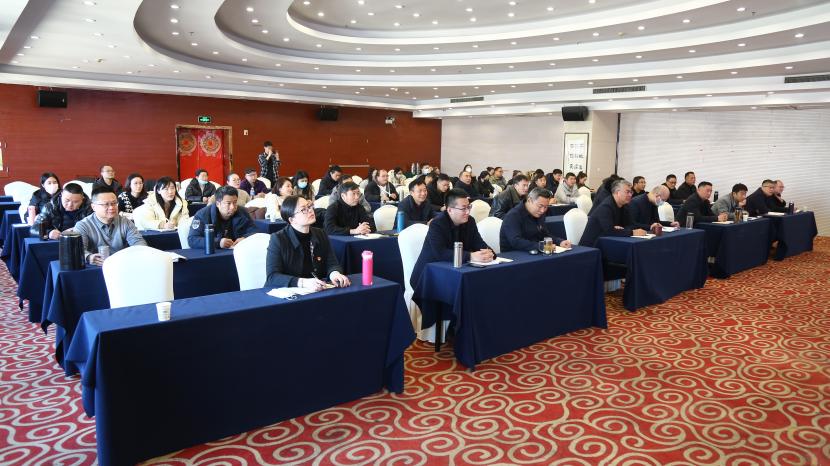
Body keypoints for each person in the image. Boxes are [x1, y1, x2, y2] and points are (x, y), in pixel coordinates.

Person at [411, 189, 495, 287]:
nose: (468, 212)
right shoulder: (437, 224)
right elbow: (441, 253)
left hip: (457, 270)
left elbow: (478, 243)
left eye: (469, 207)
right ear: (450, 210)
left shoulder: (470, 221)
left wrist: (489, 252)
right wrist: (471, 256)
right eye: (463, 208)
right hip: (429, 276)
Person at [264, 195, 350, 289]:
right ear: (292, 219)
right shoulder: (278, 239)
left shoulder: (320, 233)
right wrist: (302, 282)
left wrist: (334, 274)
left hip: (317, 289)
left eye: (309, 206)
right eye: (303, 209)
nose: (310, 210)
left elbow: (332, 263)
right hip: (288, 291)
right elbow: (272, 276)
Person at [73, 188, 147, 265]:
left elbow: (139, 243)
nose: (111, 207)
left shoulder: (126, 222)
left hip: (120, 264)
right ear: (93, 207)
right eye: (106, 204)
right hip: (96, 266)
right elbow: (77, 250)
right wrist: (88, 257)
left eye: (114, 203)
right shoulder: (83, 225)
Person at [579, 179, 647, 247]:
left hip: (609, 241)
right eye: (627, 192)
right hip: (592, 246)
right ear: (617, 192)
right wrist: (632, 232)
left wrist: (623, 229)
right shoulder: (606, 207)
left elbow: (631, 224)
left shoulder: (624, 206)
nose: (630, 195)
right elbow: (609, 231)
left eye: (631, 192)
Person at [500, 188, 570, 252]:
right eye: (540, 206)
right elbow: (516, 241)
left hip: (534, 251)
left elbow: (543, 234)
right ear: (529, 200)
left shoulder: (539, 213)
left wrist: (559, 242)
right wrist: (541, 246)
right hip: (514, 254)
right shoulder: (513, 216)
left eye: (546, 207)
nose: (542, 210)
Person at [188, 185, 258, 250]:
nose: (232, 207)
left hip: (237, 251)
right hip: (214, 253)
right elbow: (192, 239)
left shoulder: (242, 212)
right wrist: (217, 242)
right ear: (218, 204)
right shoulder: (202, 215)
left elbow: (254, 231)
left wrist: (245, 238)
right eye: (228, 203)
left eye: (235, 202)